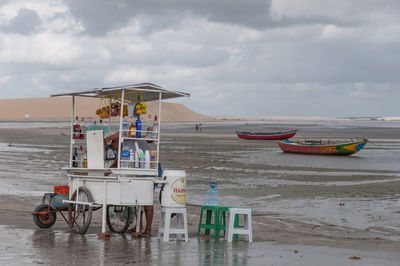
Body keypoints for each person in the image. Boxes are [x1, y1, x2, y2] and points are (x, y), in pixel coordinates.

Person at [103, 131, 154, 237]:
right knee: (136, 199)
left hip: (147, 167)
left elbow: (123, 132)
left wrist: (107, 139)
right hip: (136, 171)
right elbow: (117, 163)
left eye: (114, 145)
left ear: (118, 140)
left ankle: (148, 229)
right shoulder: (124, 149)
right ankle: (138, 227)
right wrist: (107, 171)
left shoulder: (130, 139)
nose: (115, 149)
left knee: (147, 200)